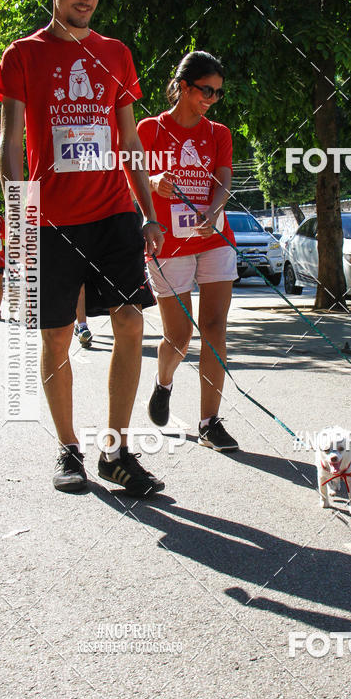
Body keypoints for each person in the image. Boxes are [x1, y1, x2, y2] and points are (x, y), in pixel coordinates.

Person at [0, 0, 165, 494]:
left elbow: (131, 140)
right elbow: (10, 144)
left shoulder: (116, 54)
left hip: (115, 210)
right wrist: (18, 215)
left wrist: (148, 211)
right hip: (52, 220)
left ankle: (116, 449)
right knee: (57, 334)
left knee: (132, 320)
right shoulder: (23, 54)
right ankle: (68, 450)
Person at [138, 51, 239, 452]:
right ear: (183, 86)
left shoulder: (218, 134)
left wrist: (215, 211)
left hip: (214, 239)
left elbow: (225, 178)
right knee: (179, 338)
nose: (212, 99)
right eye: (206, 91)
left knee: (214, 328)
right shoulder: (149, 130)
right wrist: (153, 179)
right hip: (168, 243)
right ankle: (164, 382)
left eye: (218, 93)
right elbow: (128, 176)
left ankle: (209, 421)